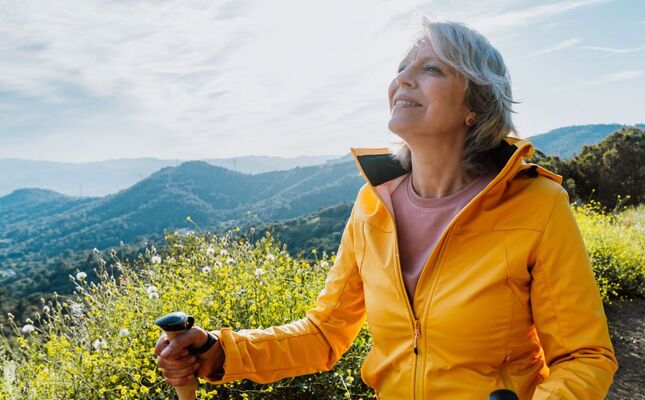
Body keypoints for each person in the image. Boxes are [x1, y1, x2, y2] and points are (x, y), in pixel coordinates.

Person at [155, 17, 618, 399]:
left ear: (474, 105)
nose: (402, 79)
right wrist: (220, 353)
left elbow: (584, 357)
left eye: (432, 69)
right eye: (401, 68)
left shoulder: (537, 205)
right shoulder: (372, 205)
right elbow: (324, 334)